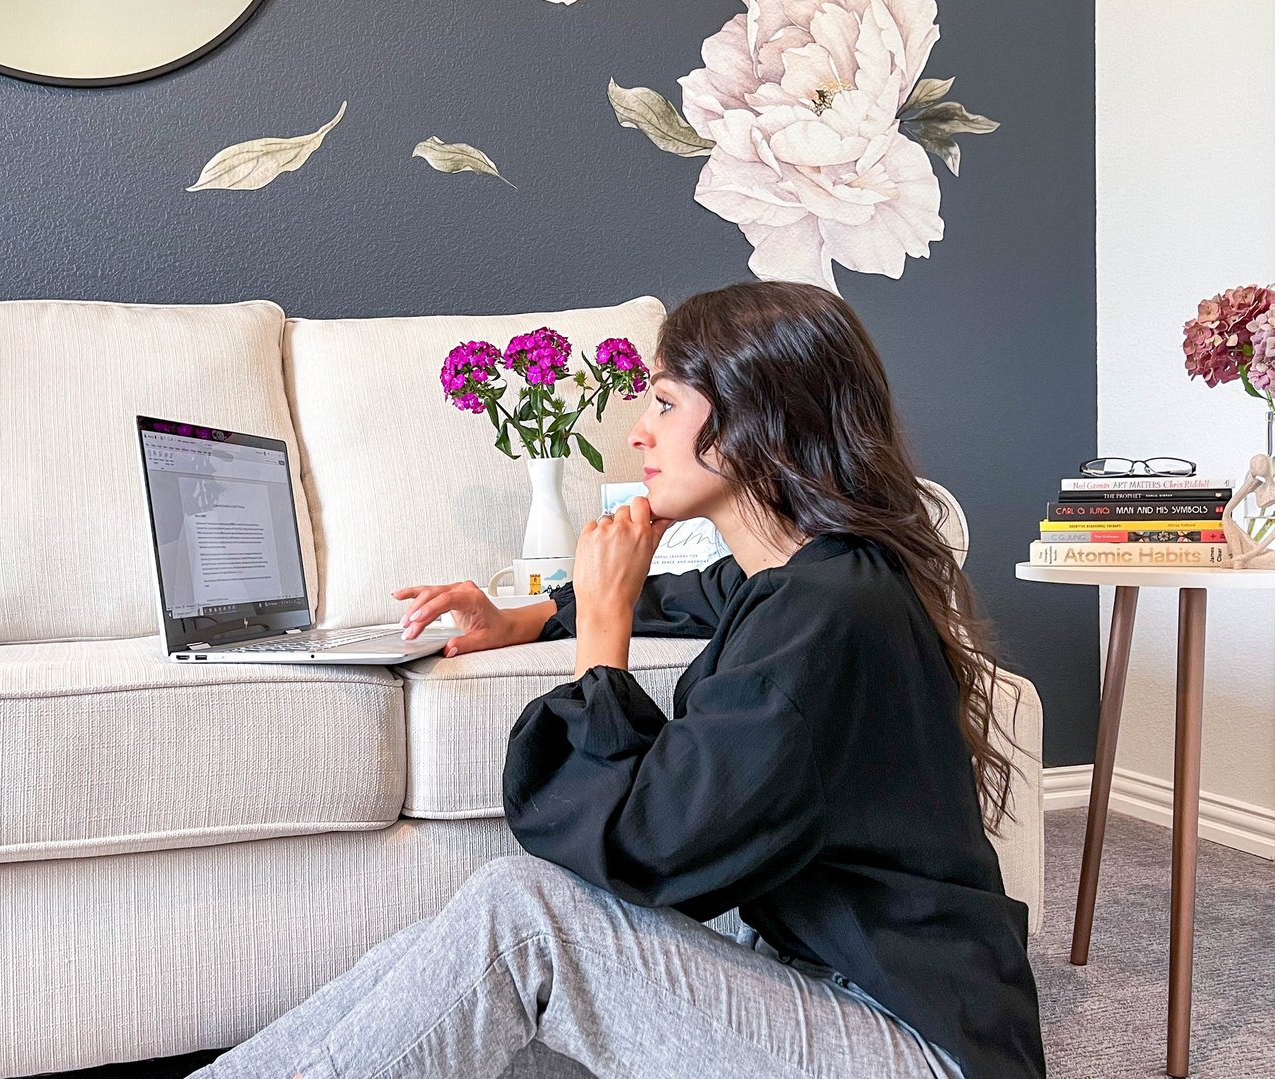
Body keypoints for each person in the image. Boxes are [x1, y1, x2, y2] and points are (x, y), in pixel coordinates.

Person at [188, 281, 1047, 1079]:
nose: (640, 429)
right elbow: (687, 594)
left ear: (757, 424)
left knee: (527, 918)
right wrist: (521, 615)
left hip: (917, 1046)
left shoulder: (820, 616)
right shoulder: (821, 575)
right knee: (495, 924)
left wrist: (600, 638)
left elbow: (645, 843)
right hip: (875, 998)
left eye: (666, 402)